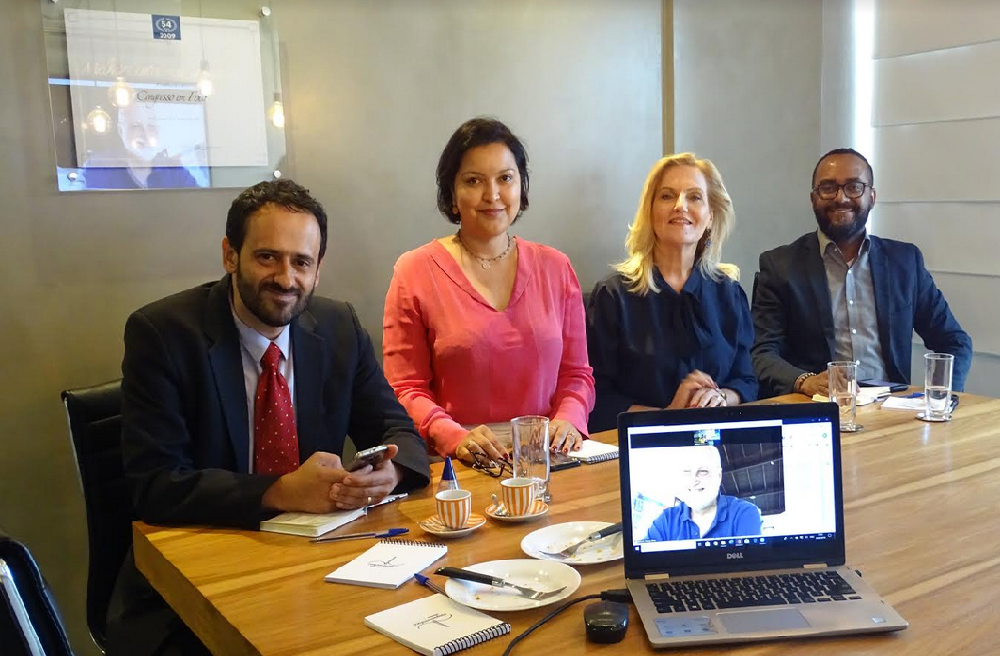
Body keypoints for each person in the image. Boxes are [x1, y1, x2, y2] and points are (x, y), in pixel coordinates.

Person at [106, 179, 430, 656]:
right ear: (229, 255)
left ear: (318, 269)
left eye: (301, 262)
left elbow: (397, 428)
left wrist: (392, 470)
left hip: (315, 566)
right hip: (196, 580)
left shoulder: (339, 326)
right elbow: (155, 484)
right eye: (267, 257)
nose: (285, 277)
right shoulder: (163, 334)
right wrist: (279, 491)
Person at [382, 117, 595, 463]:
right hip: (458, 466)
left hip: (548, 461)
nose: (492, 194)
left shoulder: (556, 267)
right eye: (473, 181)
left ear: (521, 188)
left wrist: (569, 420)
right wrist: (454, 436)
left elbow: (577, 375)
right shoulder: (414, 272)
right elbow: (406, 389)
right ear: (452, 195)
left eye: (505, 179)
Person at [751, 148, 973, 398]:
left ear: (872, 196)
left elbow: (954, 341)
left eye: (854, 187)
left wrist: (939, 397)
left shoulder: (904, 263)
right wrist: (805, 381)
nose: (841, 198)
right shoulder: (780, 265)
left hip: (893, 410)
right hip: (819, 409)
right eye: (828, 188)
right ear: (813, 198)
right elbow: (761, 353)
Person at [586, 153, 757, 433]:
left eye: (694, 197)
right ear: (650, 212)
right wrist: (668, 416)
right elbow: (596, 400)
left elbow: (747, 381)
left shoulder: (730, 293)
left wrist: (721, 398)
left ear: (711, 216)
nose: (681, 206)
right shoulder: (613, 296)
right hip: (640, 447)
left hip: (718, 442)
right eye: (667, 196)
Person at [645, 445, 762, 541]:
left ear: (718, 476)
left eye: (702, 471)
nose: (693, 480)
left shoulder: (744, 513)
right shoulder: (666, 520)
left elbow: (748, 566)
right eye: (687, 472)